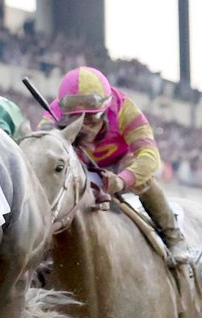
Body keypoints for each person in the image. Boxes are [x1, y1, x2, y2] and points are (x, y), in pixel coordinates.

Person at [45, 66, 190, 265]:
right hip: (79, 168)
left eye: (91, 117)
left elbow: (150, 157)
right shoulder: (53, 114)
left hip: (119, 166)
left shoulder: (124, 109)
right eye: (77, 118)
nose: (84, 126)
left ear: (106, 108)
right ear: (64, 111)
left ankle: (173, 235)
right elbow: (42, 155)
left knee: (138, 170)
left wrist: (122, 181)